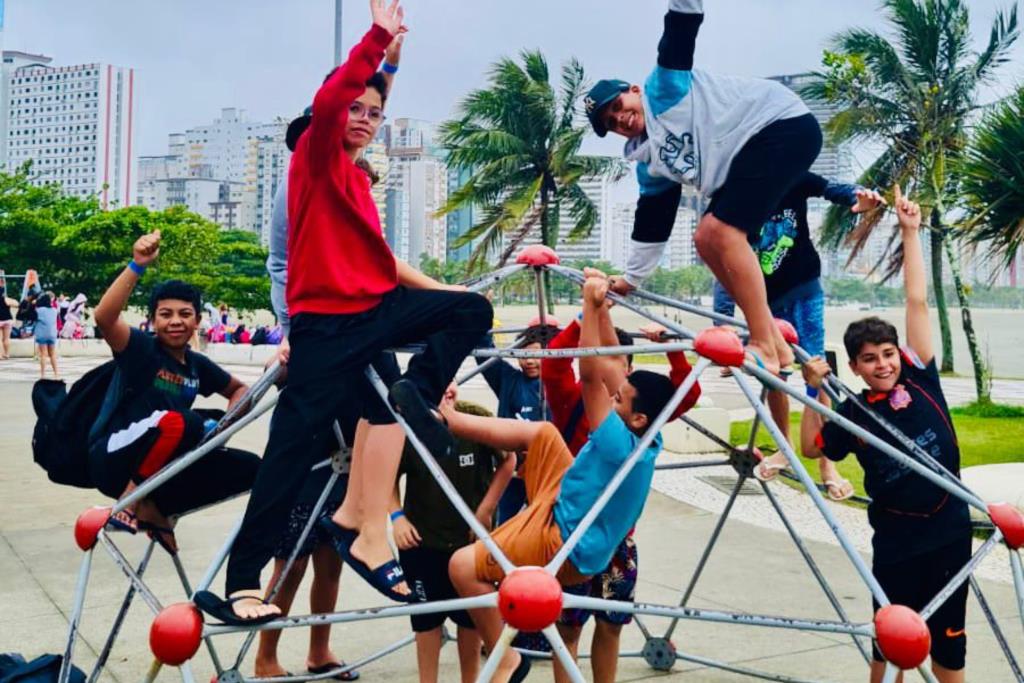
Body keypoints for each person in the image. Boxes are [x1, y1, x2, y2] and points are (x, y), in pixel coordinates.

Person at [211, 0, 492, 624]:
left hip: (374, 312)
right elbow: (342, 90)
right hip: (326, 325)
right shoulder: (312, 157)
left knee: (470, 312)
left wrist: (394, 58)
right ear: (327, 119)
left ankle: (412, 396)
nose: (364, 119)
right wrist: (377, 37)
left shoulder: (359, 183)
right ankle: (238, 581)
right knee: (289, 450)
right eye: (354, 112)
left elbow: (385, 265)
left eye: (375, 114)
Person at [447, 270, 684, 683]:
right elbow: (611, 364)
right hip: (568, 502)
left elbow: (592, 375)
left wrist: (589, 307)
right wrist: (597, 310)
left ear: (638, 416)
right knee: (543, 433)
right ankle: (450, 421)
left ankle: (506, 658)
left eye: (622, 400)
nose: (615, 397)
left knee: (462, 567)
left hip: (567, 541)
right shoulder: (650, 436)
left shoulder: (615, 442)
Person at [255, 39, 403, 679]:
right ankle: (266, 655)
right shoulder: (301, 185)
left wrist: (390, 59)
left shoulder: (354, 185)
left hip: (351, 346)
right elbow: (282, 266)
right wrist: (290, 330)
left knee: (331, 550)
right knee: (295, 536)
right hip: (317, 347)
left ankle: (318, 648)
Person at [591, 0, 821, 377]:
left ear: (633, 91)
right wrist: (631, 280)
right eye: (612, 122)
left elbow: (681, 26)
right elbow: (652, 225)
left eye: (618, 105)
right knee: (704, 238)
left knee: (721, 231)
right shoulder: (650, 165)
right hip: (750, 156)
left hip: (781, 126)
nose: (621, 118)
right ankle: (775, 343)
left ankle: (762, 341)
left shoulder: (663, 88)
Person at [800, 188, 971, 683]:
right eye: (870, 359)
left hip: (949, 533)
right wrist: (814, 396)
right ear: (853, 366)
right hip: (896, 541)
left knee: (948, 644)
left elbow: (915, 299)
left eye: (888, 354)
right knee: (889, 635)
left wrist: (911, 231)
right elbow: (813, 447)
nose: (883, 365)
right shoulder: (853, 411)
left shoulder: (921, 378)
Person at [703, 171, 885, 501]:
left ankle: (827, 462)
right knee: (774, 375)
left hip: (803, 289)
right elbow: (721, 266)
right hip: (762, 301)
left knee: (815, 370)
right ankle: (784, 447)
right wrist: (723, 327)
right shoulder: (730, 194)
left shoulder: (789, 173)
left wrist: (859, 199)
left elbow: (831, 189)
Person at [543, 315, 699, 683]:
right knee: (568, 625)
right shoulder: (585, 401)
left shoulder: (635, 415)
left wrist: (673, 351)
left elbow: (685, 394)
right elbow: (556, 367)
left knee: (611, 623)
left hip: (615, 538)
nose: (616, 380)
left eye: (622, 368)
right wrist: (586, 321)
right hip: (574, 532)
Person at [89, 230, 260, 553]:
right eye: (165, 314)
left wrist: (223, 426)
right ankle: (129, 501)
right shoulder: (141, 350)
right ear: (152, 321)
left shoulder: (197, 365)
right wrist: (137, 265)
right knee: (185, 422)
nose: (175, 322)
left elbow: (240, 390)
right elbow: (104, 317)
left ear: (197, 321)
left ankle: (160, 508)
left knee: (252, 467)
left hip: (161, 466)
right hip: (113, 457)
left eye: (185, 314)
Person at [391, 399, 514, 683]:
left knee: (470, 619)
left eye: (450, 383)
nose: (445, 391)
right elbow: (387, 475)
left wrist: (486, 509)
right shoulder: (410, 426)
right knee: (425, 620)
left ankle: (470, 679)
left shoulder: (474, 417)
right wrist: (396, 516)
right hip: (422, 541)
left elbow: (508, 460)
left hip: (469, 541)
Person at [476, 322, 558, 524]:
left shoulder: (558, 385)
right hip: (513, 475)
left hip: (549, 475)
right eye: (523, 355)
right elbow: (484, 354)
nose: (529, 361)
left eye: (536, 355)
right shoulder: (509, 381)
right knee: (508, 527)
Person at [34, 291, 60, 379]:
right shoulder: (54, 310)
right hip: (52, 334)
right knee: (52, 354)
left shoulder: (39, 310)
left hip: (42, 334)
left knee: (43, 355)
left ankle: (43, 374)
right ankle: (56, 373)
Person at [0, 274, 16, 359]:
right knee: (6, 339)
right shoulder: (6, 299)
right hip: (7, 320)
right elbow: (17, 304)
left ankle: (0, 355)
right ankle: (7, 354)